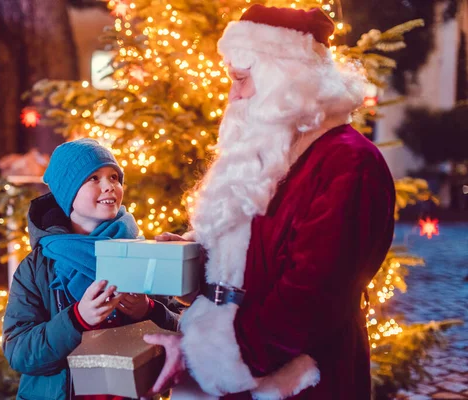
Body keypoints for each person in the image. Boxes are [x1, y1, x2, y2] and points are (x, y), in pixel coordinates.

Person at [144, 5, 396, 400]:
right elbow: (253, 248)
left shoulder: (349, 162)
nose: (234, 95)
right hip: (234, 376)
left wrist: (203, 356)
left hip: (301, 383)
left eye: (242, 80)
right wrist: (195, 259)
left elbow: (308, 301)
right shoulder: (272, 149)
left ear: (285, 79)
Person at [2, 138, 179, 400]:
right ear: (68, 193)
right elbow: (20, 352)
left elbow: (184, 330)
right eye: (94, 178)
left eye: (114, 177)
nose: (109, 186)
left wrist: (150, 311)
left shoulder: (141, 253)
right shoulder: (38, 267)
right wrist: (76, 319)